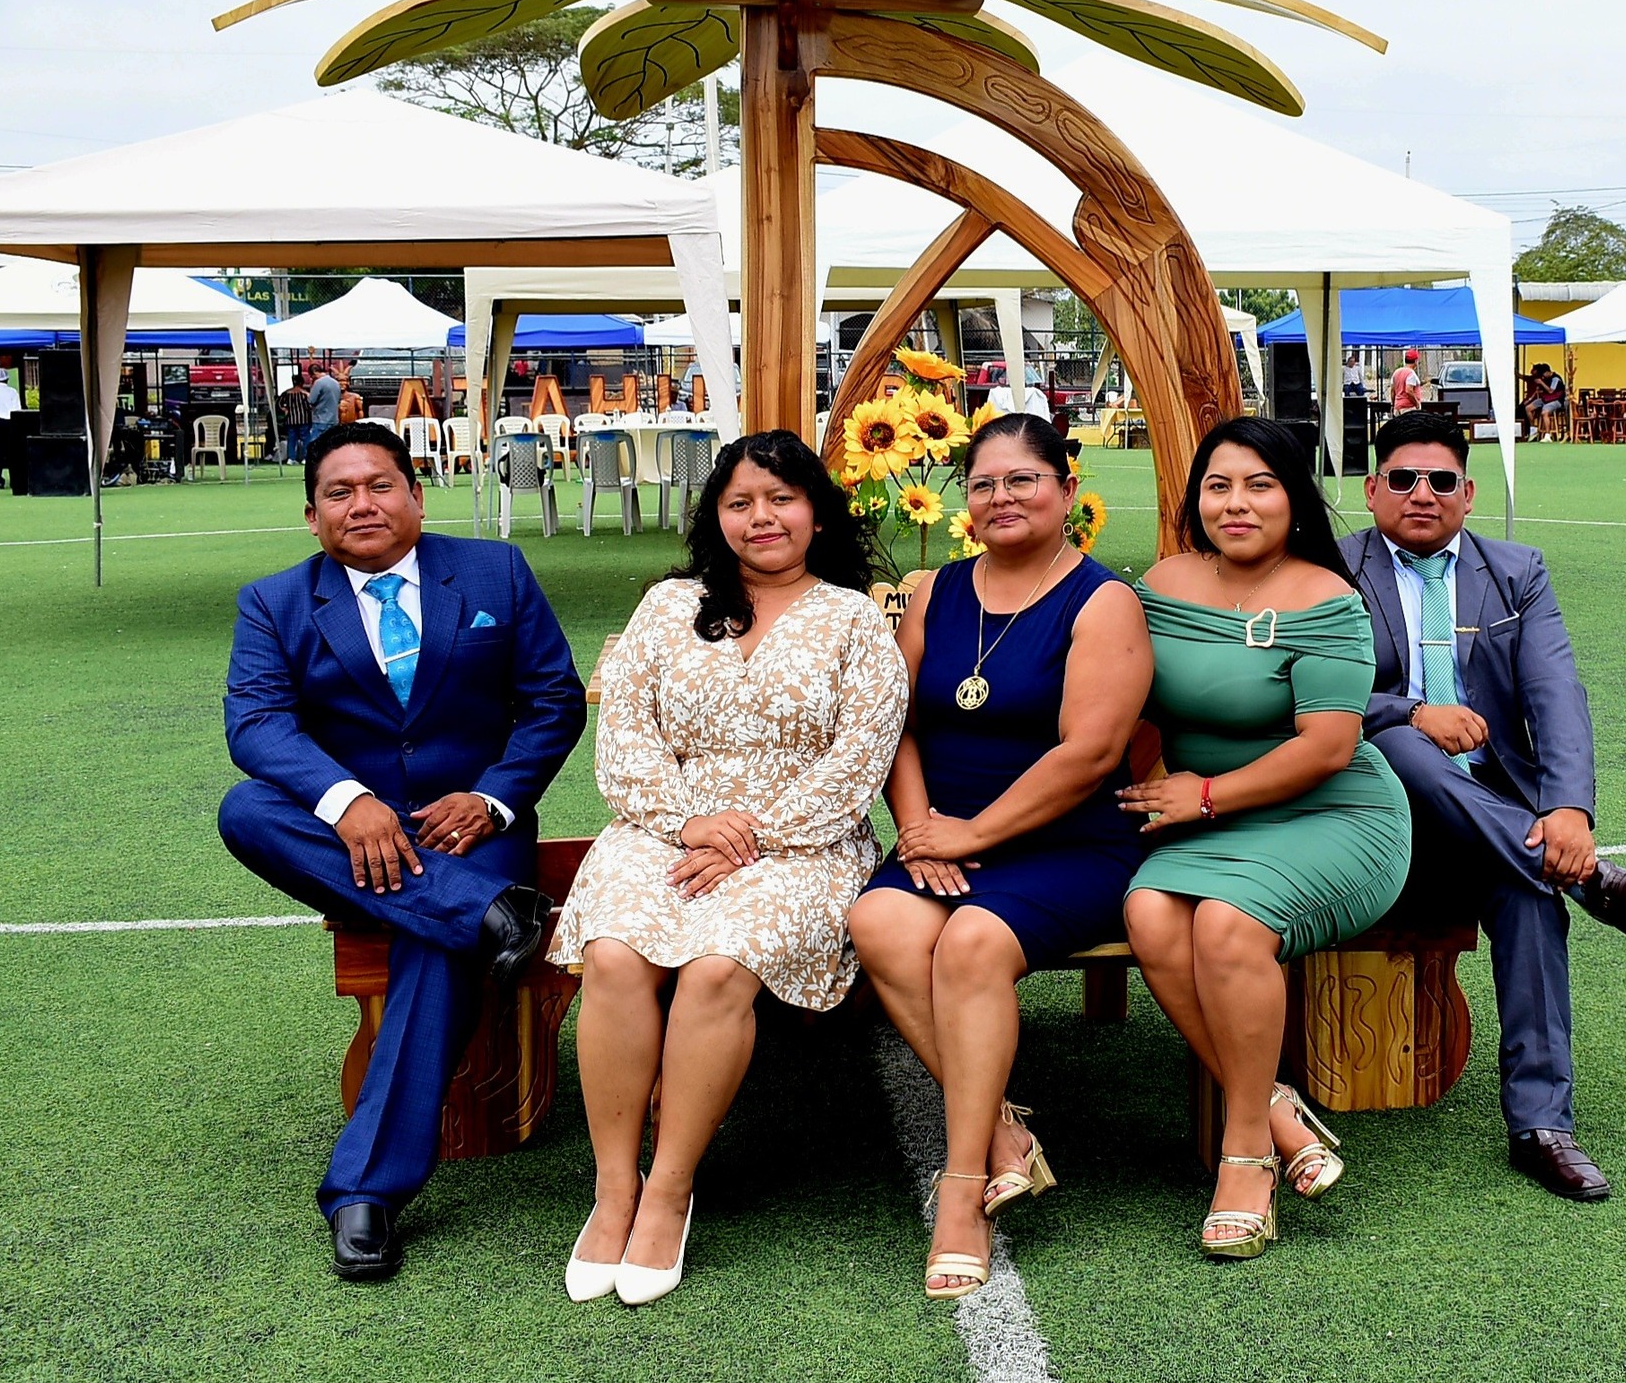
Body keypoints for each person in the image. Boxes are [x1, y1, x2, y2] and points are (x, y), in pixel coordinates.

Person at [217, 422, 585, 1280]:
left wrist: (492, 798)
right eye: (339, 492)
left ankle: (365, 1192)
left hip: (475, 830)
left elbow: (553, 700)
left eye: (380, 485)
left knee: (434, 942)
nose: (362, 504)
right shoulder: (273, 602)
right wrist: (349, 803)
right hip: (351, 841)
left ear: (416, 496)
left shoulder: (495, 572)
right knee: (246, 808)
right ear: (312, 515)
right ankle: (489, 914)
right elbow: (257, 723)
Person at [550, 430, 908, 1308]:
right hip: (664, 827)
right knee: (614, 952)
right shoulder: (668, 605)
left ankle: (669, 1189)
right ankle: (614, 1188)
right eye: (741, 502)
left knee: (719, 965)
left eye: (782, 498)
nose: (762, 517)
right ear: (716, 515)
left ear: (816, 511)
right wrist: (689, 823)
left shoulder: (855, 618)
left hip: (804, 841)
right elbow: (625, 735)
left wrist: (750, 836)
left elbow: (860, 760)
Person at [848, 413, 1152, 1300]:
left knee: (972, 941)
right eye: (983, 483)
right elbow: (896, 720)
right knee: (878, 918)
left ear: (1067, 489)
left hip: (1068, 842)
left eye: (1024, 479)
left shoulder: (1103, 601)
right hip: (945, 835)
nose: (1001, 497)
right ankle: (1002, 1131)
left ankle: (961, 1188)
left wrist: (972, 835)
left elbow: (1091, 753)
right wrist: (918, 828)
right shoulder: (937, 591)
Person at [1339, 411, 1626, 1202]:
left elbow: (1556, 693)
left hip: (1489, 812)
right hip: (1372, 811)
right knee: (1402, 747)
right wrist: (1411, 712)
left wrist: (1569, 811)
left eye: (1441, 480)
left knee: (1529, 891)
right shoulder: (1334, 567)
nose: (1422, 493)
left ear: (1468, 493)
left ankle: (1541, 1126)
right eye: (1402, 478)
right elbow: (1313, 692)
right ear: (1373, 489)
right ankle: (1588, 880)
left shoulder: (1517, 571)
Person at [1117, 418, 1410, 1261]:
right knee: (1149, 911)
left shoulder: (1326, 598)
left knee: (1225, 923)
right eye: (1218, 486)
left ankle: (1244, 1154)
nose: (1235, 504)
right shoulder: (1164, 582)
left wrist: (1204, 793)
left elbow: (1327, 747)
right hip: (1211, 818)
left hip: (1334, 815)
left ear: (1294, 498)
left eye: (1259, 485)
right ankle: (1278, 1107)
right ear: (1195, 499)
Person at [1522, 363, 1566, 442]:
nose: (1543, 376)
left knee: (1544, 412)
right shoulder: (1545, 378)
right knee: (1528, 408)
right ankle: (1533, 429)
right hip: (1545, 399)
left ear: (1547, 372)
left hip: (1556, 400)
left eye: (1543, 374)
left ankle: (1548, 435)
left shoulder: (1555, 378)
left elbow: (1551, 391)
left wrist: (1541, 382)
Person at [305, 361, 341, 439]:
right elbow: (338, 400)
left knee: (316, 443)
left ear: (314, 373)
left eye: (311, 376)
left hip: (321, 420)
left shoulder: (318, 383)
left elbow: (311, 400)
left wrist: (309, 391)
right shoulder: (336, 383)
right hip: (334, 420)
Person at [1389, 349, 1423, 413]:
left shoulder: (1396, 372)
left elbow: (1392, 391)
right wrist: (1416, 403)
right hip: (1409, 408)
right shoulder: (1411, 373)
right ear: (1415, 361)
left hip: (1397, 407)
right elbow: (1408, 390)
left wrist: (1393, 404)